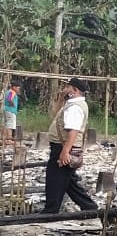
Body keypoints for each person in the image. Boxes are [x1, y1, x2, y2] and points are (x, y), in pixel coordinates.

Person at [43, 77, 97, 213]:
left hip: (63, 146)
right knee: (68, 181)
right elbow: (55, 114)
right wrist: (62, 98)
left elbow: (73, 131)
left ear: (75, 90)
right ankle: (90, 207)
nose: (65, 89)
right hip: (63, 146)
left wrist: (65, 151)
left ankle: (51, 210)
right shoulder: (71, 104)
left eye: (68, 87)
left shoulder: (75, 107)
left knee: (54, 178)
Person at [3, 80, 19, 145]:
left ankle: (6, 139)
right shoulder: (12, 92)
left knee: (7, 124)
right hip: (11, 110)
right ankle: (9, 139)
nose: (18, 89)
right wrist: (13, 104)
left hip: (7, 110)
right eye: (18, 88)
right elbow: (10, 99)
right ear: (14, 87)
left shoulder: (8, 92)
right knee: (10, 125)